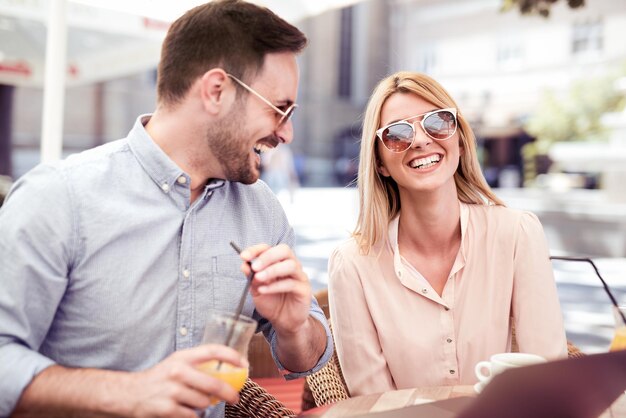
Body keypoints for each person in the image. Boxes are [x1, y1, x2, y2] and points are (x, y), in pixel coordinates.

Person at [0, 1, 333, 417]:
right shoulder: (59, 197)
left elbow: (308, 360)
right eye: (280, 109)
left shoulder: (263, 212)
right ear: (216, 91)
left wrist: (295, 326)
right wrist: (127, 393)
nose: (287, 132)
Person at [328, 71, 567, 397]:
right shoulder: (352, 265)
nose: (423, 140)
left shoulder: (517, 234)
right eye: (397, 134)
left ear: (459, 138)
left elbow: (547, 375)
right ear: (380, 162)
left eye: (438, 122)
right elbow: (373, 403)